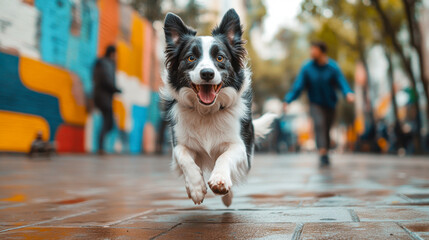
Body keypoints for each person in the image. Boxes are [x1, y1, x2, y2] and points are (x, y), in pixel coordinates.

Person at [283, 41, 355, 166]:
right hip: (315, 104)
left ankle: (325, 151)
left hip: (330, 104)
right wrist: (288, 100)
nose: (311, 52)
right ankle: (322, 153)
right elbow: (298, 86)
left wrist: (348, 93)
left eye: (314, 50)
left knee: (327, 128)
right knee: (319, 125)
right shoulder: (307, 68)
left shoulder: (333, 67)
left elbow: (341, 82)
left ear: (322, 51)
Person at [93, 45, 121, 155]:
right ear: (112, 54)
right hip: (104, 97)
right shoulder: (106, 64)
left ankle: (100, 146)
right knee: (108, 123)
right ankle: (100, 147)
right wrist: (115, 89)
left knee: (108, 123)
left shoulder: (101, 63)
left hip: (102, 97)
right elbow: (106, 80)